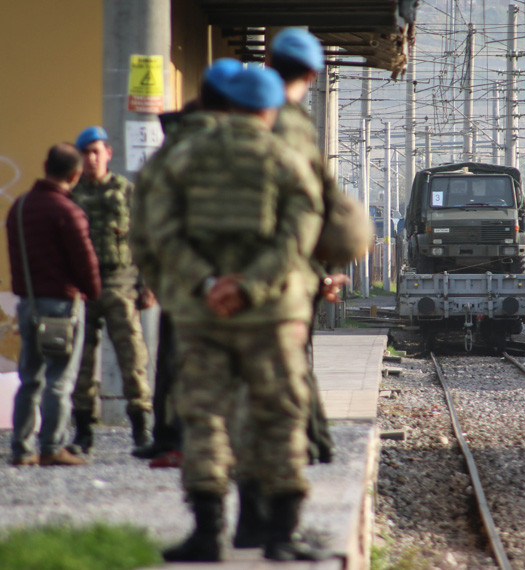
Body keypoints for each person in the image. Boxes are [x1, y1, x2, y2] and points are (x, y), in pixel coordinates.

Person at [147, 66, 329, 562]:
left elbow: (157, 230)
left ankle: (207, 533)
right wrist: (249, 286)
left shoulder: (180, 159)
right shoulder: (285, 161)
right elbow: (301, 232)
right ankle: (281, 534)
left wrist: (205, 284)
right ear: (268, 110)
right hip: (269, 316)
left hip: (202, 315)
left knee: (204, 417)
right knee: (280, 417)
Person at [228, 28, 373, 550]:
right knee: (284, 405)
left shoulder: (233, 122)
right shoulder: (291, 126)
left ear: (269, 61)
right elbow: (305, 213)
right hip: (283, 285)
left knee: (245, 402)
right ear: (311, 76)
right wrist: (323, 270)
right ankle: (281, 530)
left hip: (231, 283)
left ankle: (246, 520)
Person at [130, 58, 244, 467]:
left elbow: (144, 222)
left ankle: (169, 438)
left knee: (172, 360)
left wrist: (153, 277)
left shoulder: (170, 147)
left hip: (181, 278)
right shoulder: (239, 146)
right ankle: (210, 444)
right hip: (229, 280)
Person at [6, 143, 102, 467]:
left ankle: (21, 448)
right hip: (62, 306)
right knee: (59, 380)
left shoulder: (19, 207)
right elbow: (85, 261)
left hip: (27, 303)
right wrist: (93, 291)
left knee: (30, 378)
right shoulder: (69, 211)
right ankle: (52, 446)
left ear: (45, 165)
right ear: (74, 176)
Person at [69, 126, 153, 455]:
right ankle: (84, 432)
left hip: (121, 283)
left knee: (133, 358)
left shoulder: (126, 192)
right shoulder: (73, 195)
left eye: (96, 151)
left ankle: (141, 429)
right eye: (86, 153)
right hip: (83, 287)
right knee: (83, 363)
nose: (91, 158)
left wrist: (147, 286)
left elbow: (145, 241)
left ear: (108, 154)